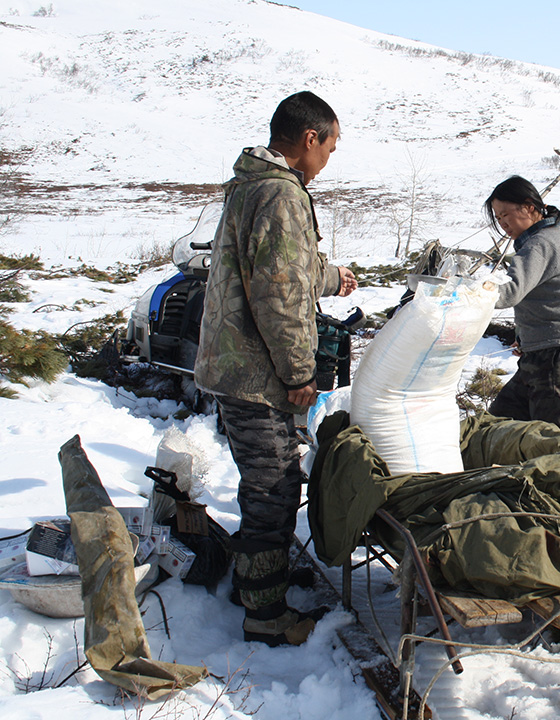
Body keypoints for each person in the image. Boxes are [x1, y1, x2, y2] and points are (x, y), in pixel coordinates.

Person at [194, 91, 357, 647]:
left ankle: (255, 581)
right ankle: (264, 613)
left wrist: (331, 277)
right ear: (310, 138)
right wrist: (299, 374)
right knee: (274, 488)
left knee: (268, 480)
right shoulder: (281, 194)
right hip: (257, 373)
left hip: (237, 365)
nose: (329, 158)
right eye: (330, 146)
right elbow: (279, 295)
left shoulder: (251, 185)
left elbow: (281, 267)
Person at [484, 175, 560, 434]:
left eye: (506, 214)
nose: (503, 224)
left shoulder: (539, 245)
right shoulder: (550, 237)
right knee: (500, 426)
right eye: (498, 218)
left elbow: (510, 292)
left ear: (529, 207)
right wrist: (526, 336)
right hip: (548, 350)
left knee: (554, 439)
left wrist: (469, 295)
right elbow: (549, 296)